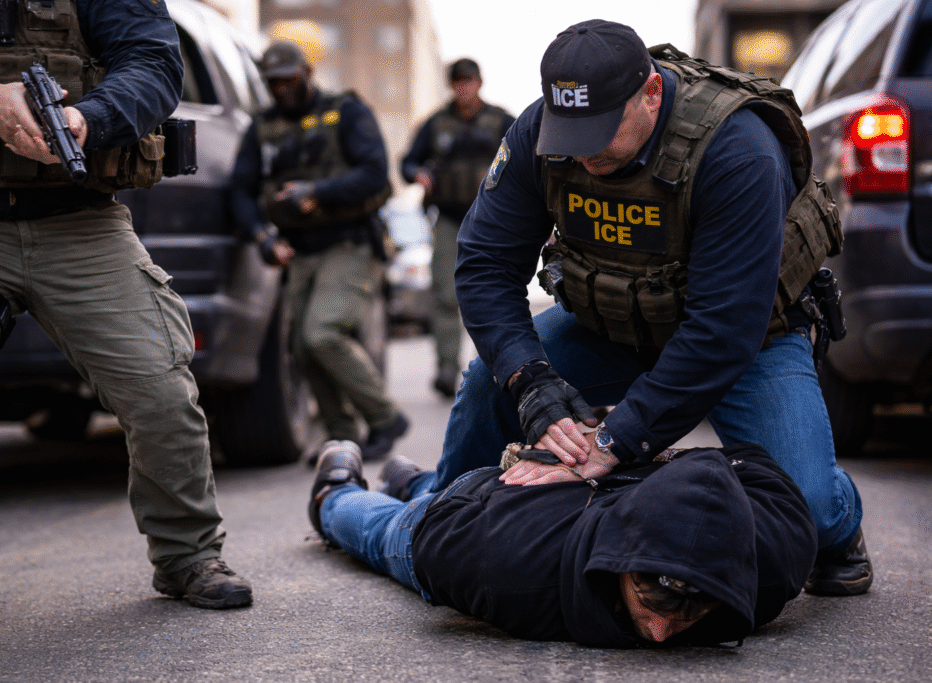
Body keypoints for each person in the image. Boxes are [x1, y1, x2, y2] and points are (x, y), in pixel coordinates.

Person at [427, 19, 873, 598]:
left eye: (600, 131)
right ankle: (434, 518)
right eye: (571, 132)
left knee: (802, 508)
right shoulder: (539, 132)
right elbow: (485, 261)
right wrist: (530, 380)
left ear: (652, 93)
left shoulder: (737, 149)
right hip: (609, 324)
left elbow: (721, 331)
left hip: (744, 340)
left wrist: (615, 442)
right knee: (489, 385)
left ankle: (842, 518)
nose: (583, 153)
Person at [0, 0, 253, 647]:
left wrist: (83, 120)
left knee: (159, 384)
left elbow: (154, 63)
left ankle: (186, 555)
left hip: (80, 219)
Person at [306, 437, 818, 647]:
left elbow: (760, 471)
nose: (661, 635)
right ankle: (335, 494)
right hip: (480, 504)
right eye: (648, 600)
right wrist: (583, 462)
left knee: (428, 493)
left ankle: (409, 477)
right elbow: (435, 534)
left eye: (690, 614)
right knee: (390, 530)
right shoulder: (505, 571)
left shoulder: (768, 564)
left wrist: (658, 460)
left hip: (581, 490)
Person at [230, 41, 408, 462]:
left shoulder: (346, 111)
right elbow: (240, 190)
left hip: (350, 241)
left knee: (322, 333)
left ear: (307, 73)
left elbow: (374, 173)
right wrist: (262, 237)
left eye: (288, 79)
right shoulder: (262, 127)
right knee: (301, 348)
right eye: (273, 83)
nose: (281, 89)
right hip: (300, 251)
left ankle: (385, 418)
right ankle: (341, 436)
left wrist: (317, 192)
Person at [400, 58, 515, 398]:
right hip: (449, 219)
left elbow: (527, 154)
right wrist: (417, 173)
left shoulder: (500, 120)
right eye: (458, 82)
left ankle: (501, 370)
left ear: (479, 83)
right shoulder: (436, 124)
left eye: (470, 82)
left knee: (496, 293)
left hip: (491, 219)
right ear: (452, 86)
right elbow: (407, 162)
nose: (465, 88)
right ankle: (447, 369)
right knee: (446, 295)